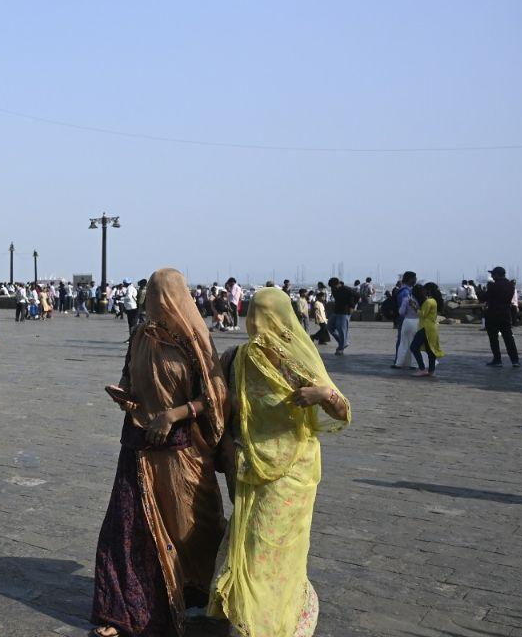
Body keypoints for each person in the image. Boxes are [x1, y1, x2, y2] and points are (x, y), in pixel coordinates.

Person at [92, 268, 228, 636]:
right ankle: (121, 611)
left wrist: (176, 414)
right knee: (128, 529)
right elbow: (129, 377)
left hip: (180, 452)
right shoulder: (140, 335)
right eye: (149, 296)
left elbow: (213, 396)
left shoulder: (192, 342)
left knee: (192, 529)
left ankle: (197, 593)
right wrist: (125, 394)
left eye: (158, 296)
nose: (151, 303)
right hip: (138, 446)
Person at [208, 287, 351, 636]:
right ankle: (249, 614)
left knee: (279, 545)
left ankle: (276, 614)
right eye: (253, 314)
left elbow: (343, 410)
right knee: (252, 542)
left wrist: (321, 394)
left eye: (263, 315)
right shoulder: (236, 358)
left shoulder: (298, 358)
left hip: (294, 473)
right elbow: (217, 407)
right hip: (251, 467)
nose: (256, 323)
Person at [483, 266, 519, 367]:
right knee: (509, 338)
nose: (492, 276)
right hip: (506, 314)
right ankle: (515, 360)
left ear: (497, 275)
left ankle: (497, 360)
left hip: (493, 314)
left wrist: (486, 289)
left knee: (494, 339)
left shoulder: (494, 286)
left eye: (493, 274)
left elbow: (483, 298)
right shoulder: (511, 286)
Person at [410, 283, 446, 377]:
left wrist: (413, 306)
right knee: (430, 350)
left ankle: (422, 369)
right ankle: (431, 370)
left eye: (424, 289)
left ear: (428, 290)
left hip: (425, 328)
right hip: (431, 327)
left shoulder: (429, 301)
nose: (423, 291)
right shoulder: (434, 301)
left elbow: (422, 314)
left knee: (414, 347)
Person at [392, 272, 419, 368]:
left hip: (404, 319)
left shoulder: (402, 290)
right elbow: (404, 309)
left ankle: (400, 362)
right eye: (414, 278)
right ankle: (406, 362)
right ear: (410, 279)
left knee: (403, 342)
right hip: (407, 319)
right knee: (405, 341)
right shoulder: (406, 292)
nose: (416, 280)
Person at [327, 277, 355, 355]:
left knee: (342, 330)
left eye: (333, 286)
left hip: (345, 312)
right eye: (331, 287)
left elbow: (357, 295)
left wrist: (352, 307)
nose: (332, 288)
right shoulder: (334, 289)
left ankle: (341, 348)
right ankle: (343, 342)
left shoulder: (346, 289)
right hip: (336, 311)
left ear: (338, 284)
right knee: (329, 326)